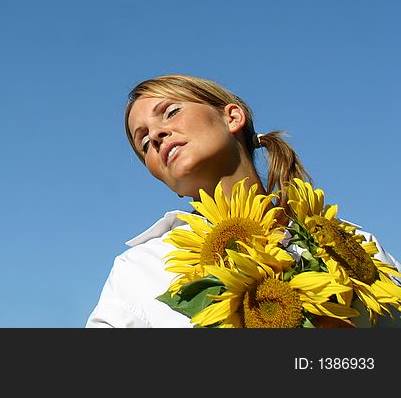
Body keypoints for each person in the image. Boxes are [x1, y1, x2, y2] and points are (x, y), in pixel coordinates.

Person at [85, 73, 401, 328]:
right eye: (144, 143)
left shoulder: (355, 245)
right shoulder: (142, 269)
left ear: (232, 117)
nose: (155, 135)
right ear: (166, 181)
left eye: (171, 112)